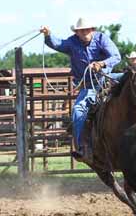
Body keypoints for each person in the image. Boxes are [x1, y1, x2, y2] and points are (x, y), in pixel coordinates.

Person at [40, 18, 120, 161]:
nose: (84, 33)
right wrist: (48, 34)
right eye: (81, 30)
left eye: (87, 30)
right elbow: (58, 44)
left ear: (92, 30)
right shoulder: (72, 43)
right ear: (76, 32)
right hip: (89, 87)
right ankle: (82, 147)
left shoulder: (102, 39)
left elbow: (116, 56)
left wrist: (101, 64)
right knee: (78, 110)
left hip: (107, 78)